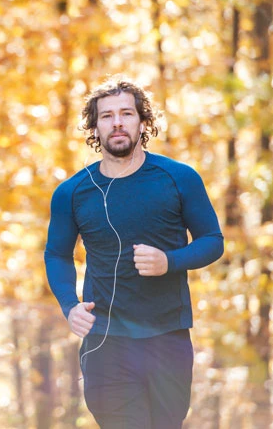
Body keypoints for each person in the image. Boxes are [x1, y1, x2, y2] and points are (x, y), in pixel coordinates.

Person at [43, 78, 224, 429]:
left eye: (126, 113)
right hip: (106, 342)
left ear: (143, 121)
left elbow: (212, 240)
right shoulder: (72, 192)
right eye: (107, 116)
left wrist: (169, 261)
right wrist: (69, 305)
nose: (117, 123)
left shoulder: (178, 178)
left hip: (168, 337)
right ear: (94, 126)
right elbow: (57, 255)